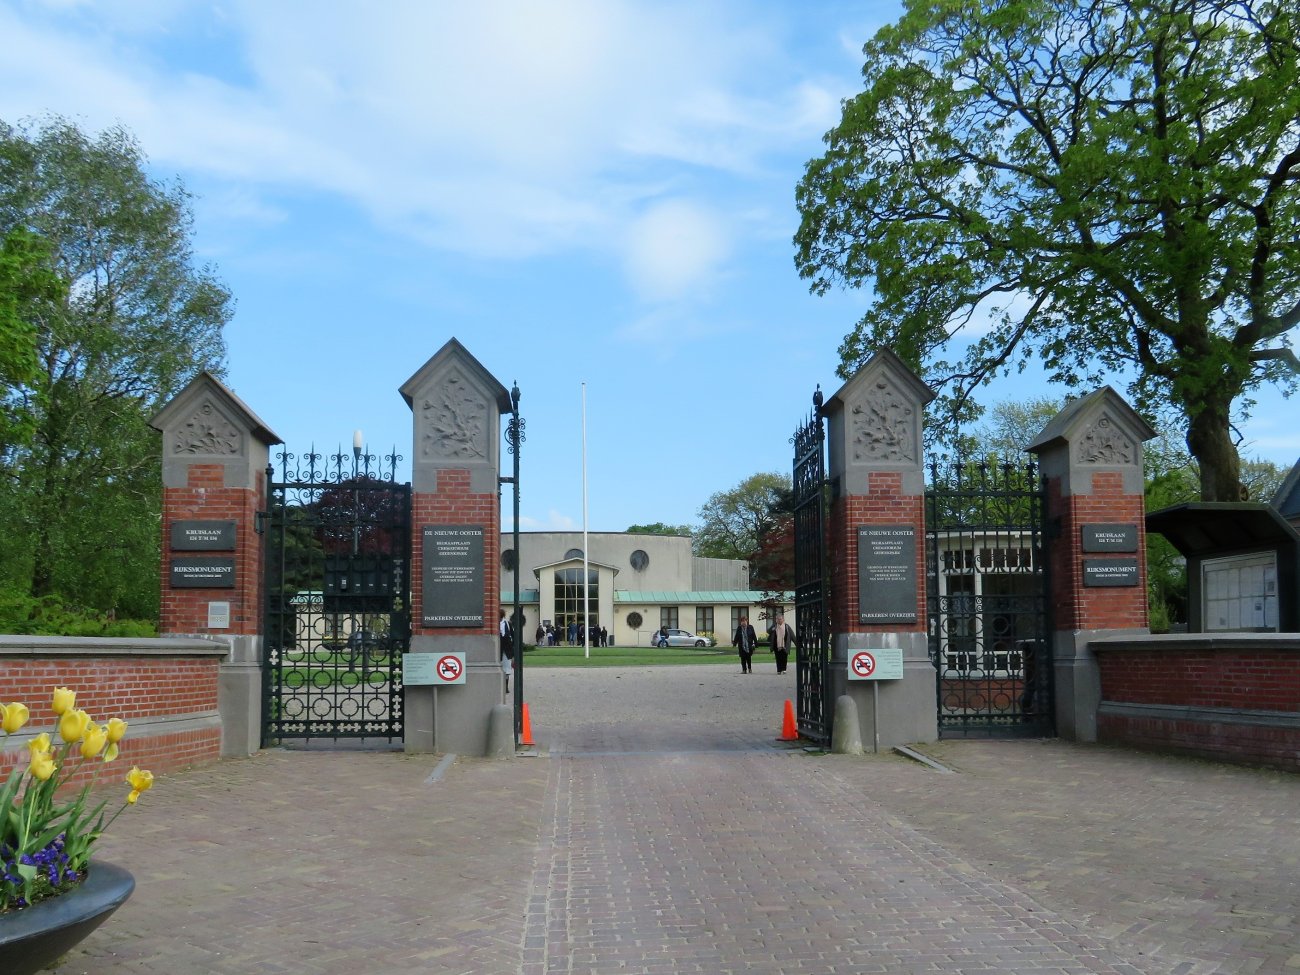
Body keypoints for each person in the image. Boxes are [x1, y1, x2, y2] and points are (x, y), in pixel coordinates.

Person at [499, 609, 513, 695]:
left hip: (506, 651)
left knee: (507, 669)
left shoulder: (508, 624)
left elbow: (513, 636)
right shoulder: (494, 624)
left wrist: (512, 652)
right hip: (498, 650)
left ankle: (505, 687)